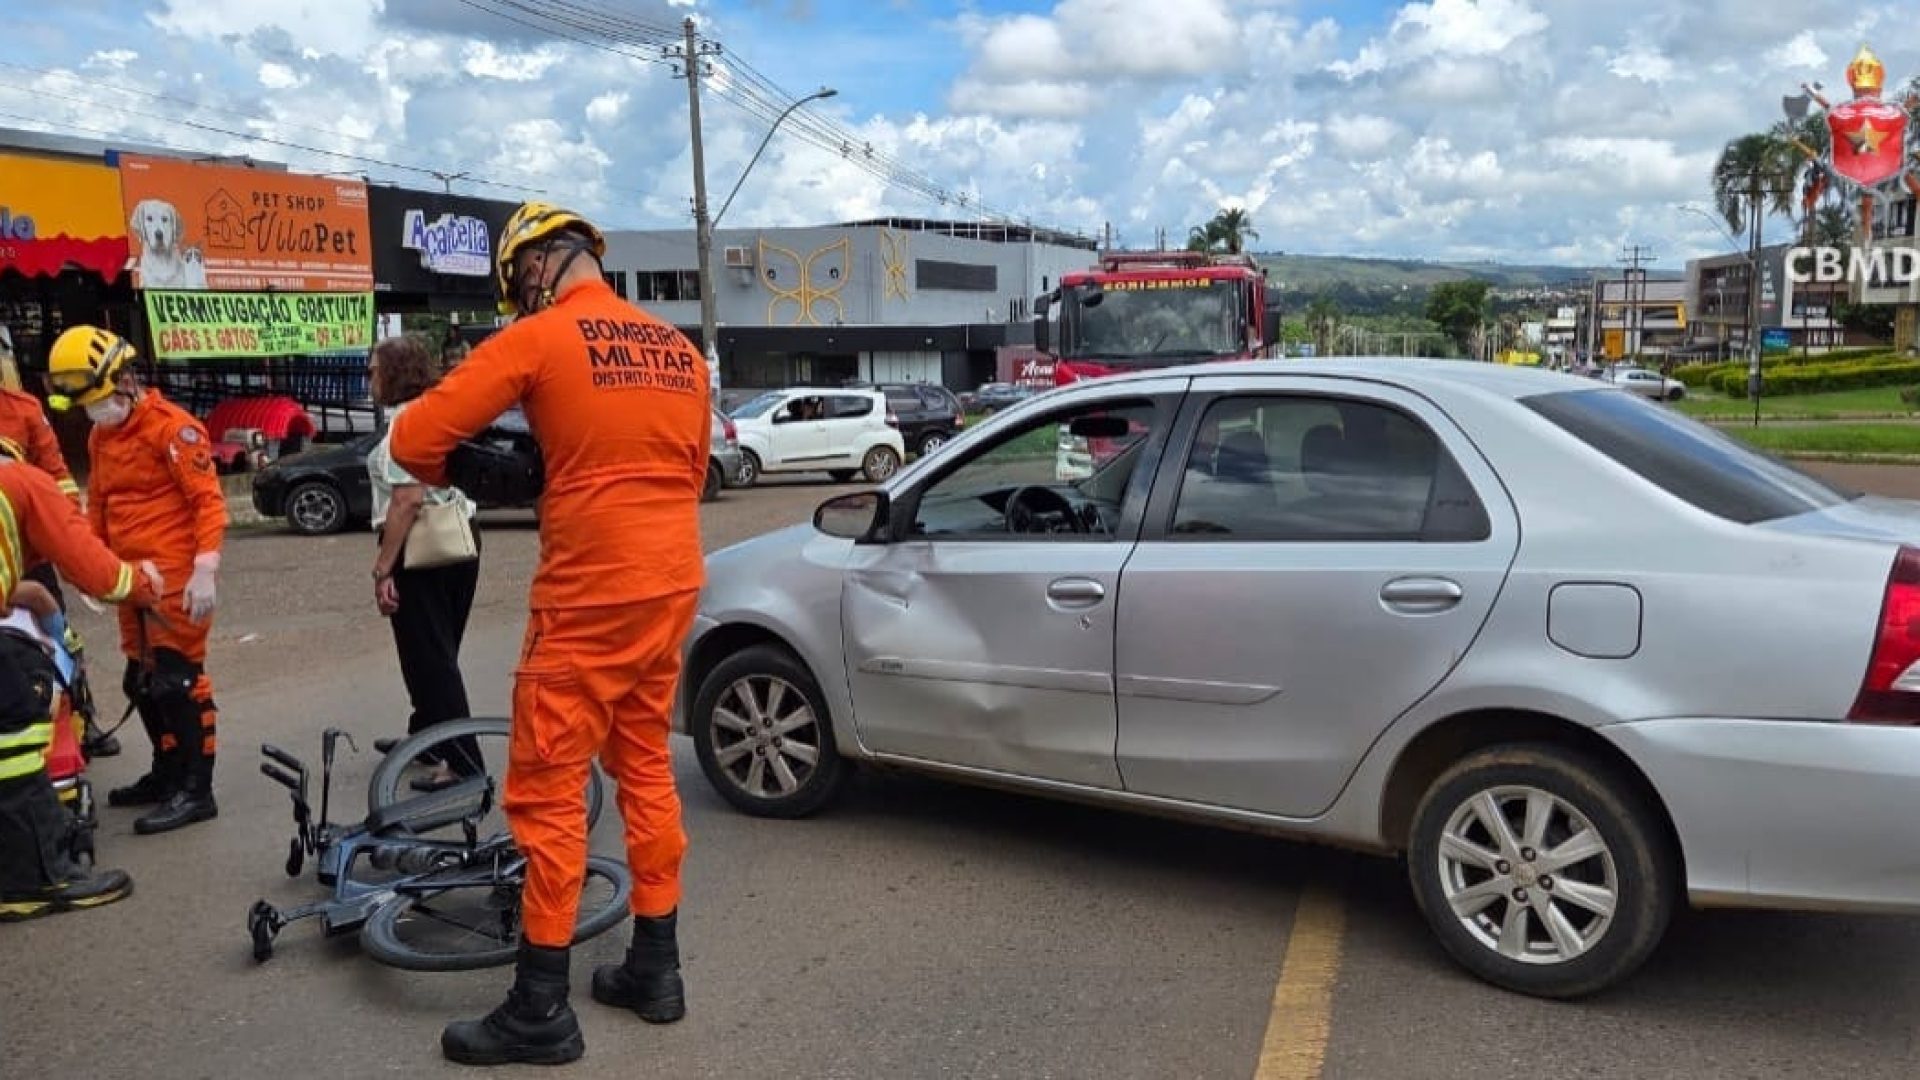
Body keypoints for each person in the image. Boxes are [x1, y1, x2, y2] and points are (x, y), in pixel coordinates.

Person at [389, 201, 710, 1067]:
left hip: (590, 592)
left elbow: (414, 437)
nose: (520, 297)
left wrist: (478, 468)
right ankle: (657, 967)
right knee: (645, 764)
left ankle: (539, 1007)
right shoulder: (679, 352)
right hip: (670, 579)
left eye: (517, 284)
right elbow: (689, 470)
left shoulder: (539, 339)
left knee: (547, 792)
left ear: (534, 266)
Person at [45, 326, 226, 836]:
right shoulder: (102, 436)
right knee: (140, 682)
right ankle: (168, 771)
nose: (94, 411)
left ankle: (198, 789)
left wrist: (205, 567)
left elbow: (207, 502)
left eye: (97, 399)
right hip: (130, 581)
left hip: (176, 580)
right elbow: (99, 505)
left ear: (126, 380)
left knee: (177, 682)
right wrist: (92, 565)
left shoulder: (174, 430)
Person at [0, 448, 162, 921]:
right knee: (14, 738)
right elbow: (96, 571)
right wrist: (143, 584)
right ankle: (34, 881)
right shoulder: (23, 482)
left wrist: (28, 595)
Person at [365, 334, 482, 791]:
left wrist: (383, 567)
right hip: (459, 537)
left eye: (374, 371)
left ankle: (463, 762)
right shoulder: (439, 410)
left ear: (394, 373)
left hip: (423, 546)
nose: (370, 380)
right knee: (438, 651)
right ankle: (428, 737)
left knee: (430, 660)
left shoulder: (405, 423)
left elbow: (407, 500)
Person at [0, 332, 118, 758]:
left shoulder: (23, 409)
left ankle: (81, 720)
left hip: (29, 551)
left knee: (60, 635)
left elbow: (57, 475)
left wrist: (71, 538)